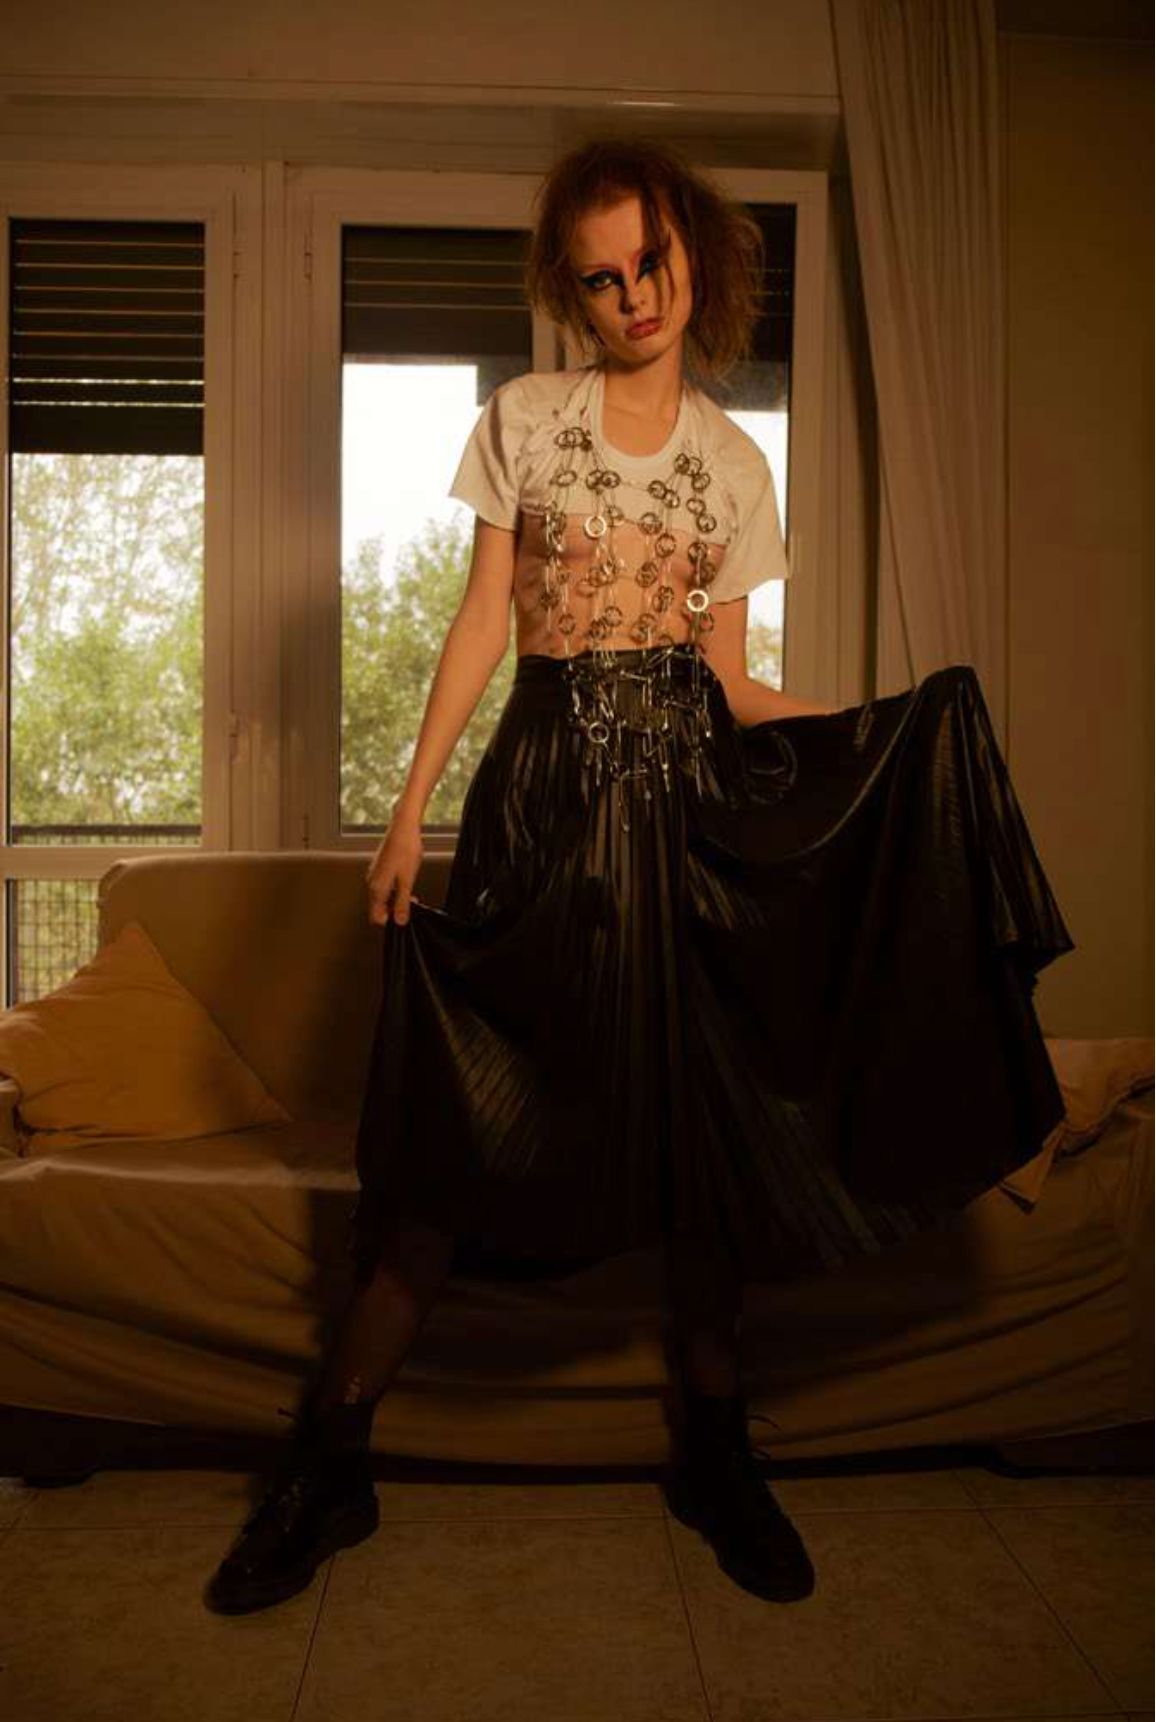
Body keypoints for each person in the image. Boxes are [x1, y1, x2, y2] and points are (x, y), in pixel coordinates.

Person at [206, 138, 1072, 1617]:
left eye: (650, 264)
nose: (632, 297)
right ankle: (331, 1457)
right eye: (601, 278)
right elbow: (485, 618)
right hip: (541, 796)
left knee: (705, 1139)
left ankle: (718, 1457)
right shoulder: (523, 421)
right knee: (460, 1123)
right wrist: (409, 812)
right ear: (571, 290)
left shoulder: (737, 464)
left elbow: (730, 683)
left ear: (694, 256)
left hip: (689, 808)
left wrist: (893, 732)